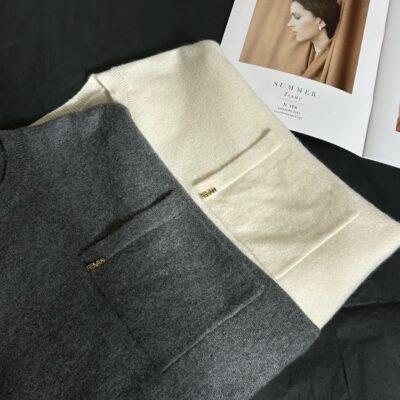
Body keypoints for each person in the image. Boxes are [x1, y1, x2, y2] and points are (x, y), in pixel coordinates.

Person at [287, 0, 341, 82]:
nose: (289, 24)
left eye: (297, 17)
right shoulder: (307, 55)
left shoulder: (337, 58)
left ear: (321, 22)